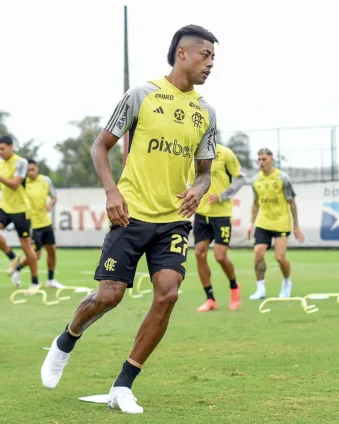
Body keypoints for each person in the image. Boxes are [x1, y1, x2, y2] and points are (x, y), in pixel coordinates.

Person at [41, 24, 218, 414]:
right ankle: (66, 340)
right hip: (131, 213)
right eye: (206, 55)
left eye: (214, 59)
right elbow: (99, 147)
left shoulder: (205, 112)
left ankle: (124, 384)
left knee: (168, 293)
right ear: (182, 54)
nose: (211, 64)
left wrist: (199, 187)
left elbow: (204, 171)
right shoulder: (142, 95)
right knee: (110, 296)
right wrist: (111, 191)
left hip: (173, 220)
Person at [188, 143, 246, 311]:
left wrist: (222, 195)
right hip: (201, 214)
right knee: (199, 253)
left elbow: (241, 178)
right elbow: (190, 181)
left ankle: (234, 286)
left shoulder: (225, 153)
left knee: (220, 256)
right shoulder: (191, 154)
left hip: (221, 214)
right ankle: (210, 299)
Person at [248, 148, 304, 300]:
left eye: (264, 159)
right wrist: (251, 223)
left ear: (272, 160)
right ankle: (260, 289)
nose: (261, 162)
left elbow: (291, 202)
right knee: (258, 252)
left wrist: (296, 225)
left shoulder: (282, 178)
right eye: (259, 159)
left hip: (281, 223)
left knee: (279, 257)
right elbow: (255, 204)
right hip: (263, 222)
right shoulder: (255, 180)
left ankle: (286, 282)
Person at [11, 159, 63, 289]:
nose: (31, 172)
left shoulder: (46, 180)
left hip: (46, 223)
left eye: (32, 169)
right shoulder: (22, 183)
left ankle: (51, 280)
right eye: (28, 170)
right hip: (31, 224)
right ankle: (18, 269)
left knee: (52, 251)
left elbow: (54, 196)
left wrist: (50, 204)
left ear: (37, 169)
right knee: (36, 255)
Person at [0, 135, 40, 291]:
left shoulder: (21, 162)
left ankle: (35, 282)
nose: (0, 152)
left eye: (3, 149)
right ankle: (12, 257)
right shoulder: (1, 164)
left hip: (21, 210)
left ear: (11, 147)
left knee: (26, 246)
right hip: (4, 207)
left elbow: (15, 185)